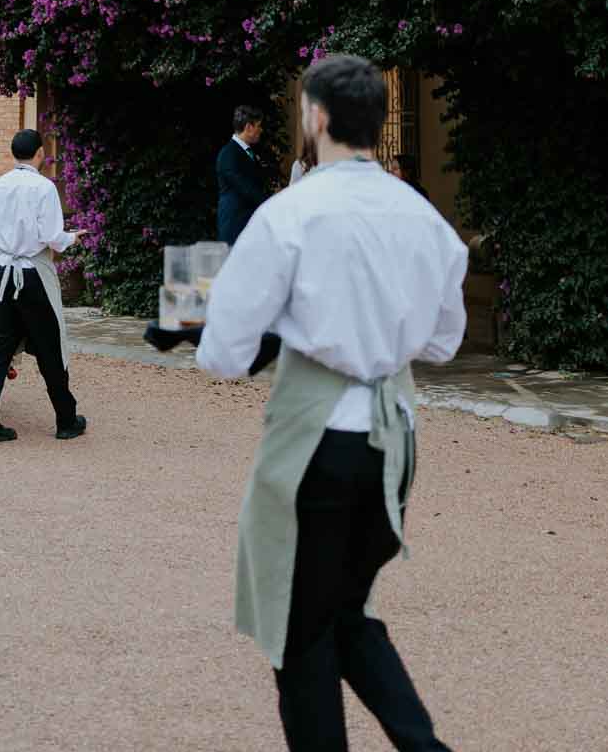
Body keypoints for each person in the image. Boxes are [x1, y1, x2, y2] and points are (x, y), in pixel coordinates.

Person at [197, 55, 467, 752]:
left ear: (314, 117)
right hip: (393, 443)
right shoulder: (424, 218)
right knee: (346, 612)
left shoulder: (290, 213)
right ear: (375, 121)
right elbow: (442, 343)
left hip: (316, 441)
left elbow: (223, 354)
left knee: (299, 634)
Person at [0, 129, 86, 446]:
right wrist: (72, 237)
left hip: (3, 271)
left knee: (0, 350)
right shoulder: (44, 187)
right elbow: (52, 236)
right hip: (31, 274)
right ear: (39, 153)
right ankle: (66, 419)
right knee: (50, 347)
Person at [215, 104, 271, 243]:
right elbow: (246, 188)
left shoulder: (247, 152)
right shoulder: (228, 154)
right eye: (258, 126)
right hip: (235, 225)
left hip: (249, 224)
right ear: (248, 127)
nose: (261, 130)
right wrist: (272, 202)